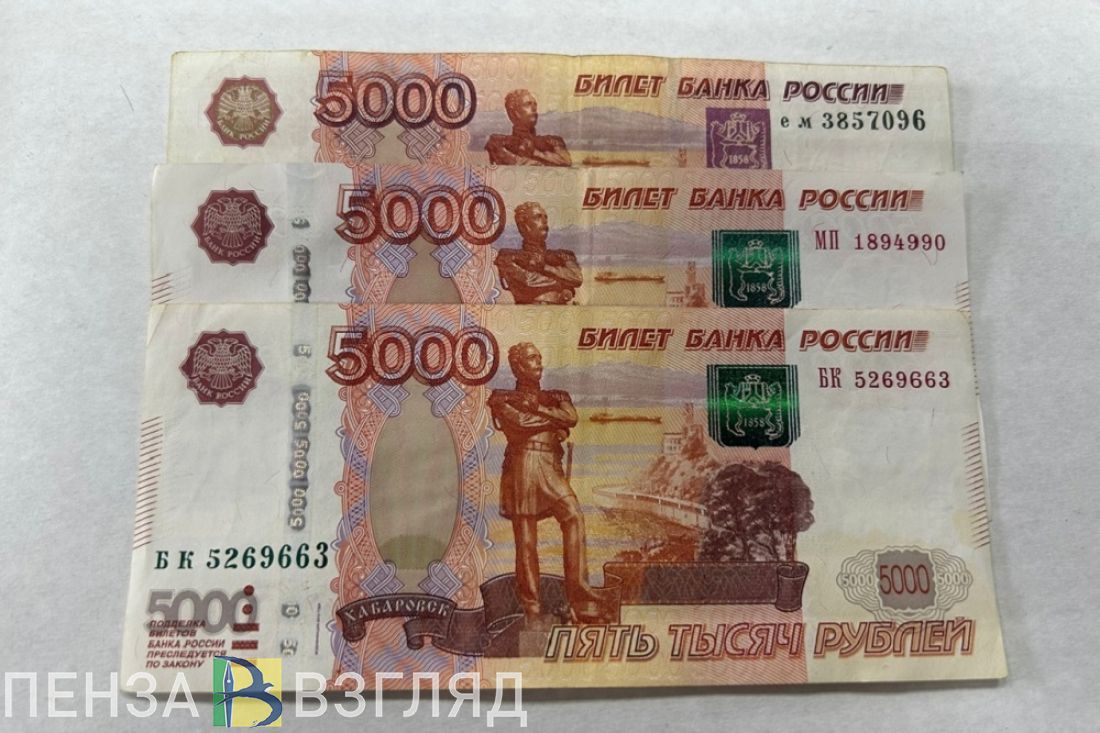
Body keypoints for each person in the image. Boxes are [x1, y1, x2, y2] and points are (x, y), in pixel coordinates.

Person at [487, 343, 603, 624]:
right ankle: (532, 608)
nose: (539, 363)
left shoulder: (556, 395)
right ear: (517, 367)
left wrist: (539, 408)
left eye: (539, 357)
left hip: (551, 466)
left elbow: (571, 418)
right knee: (526, 540)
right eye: (531, 359)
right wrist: (554, 423)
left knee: (573, 515)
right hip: (523, 466)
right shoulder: (501, 398)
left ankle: (580, 599)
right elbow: (520, 423)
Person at [495, 202, 582, 304]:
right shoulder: (507, 256)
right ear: (523, 227)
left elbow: (577, 279)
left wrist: (544, 267)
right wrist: (563, 283)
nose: (544, 221)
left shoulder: (563, 255)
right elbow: (528, 281)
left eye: (545, 217)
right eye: (537, 217)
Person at [485, 90, 571, 166]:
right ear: (513, 113)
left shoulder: (553, 141)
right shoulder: (498, 142)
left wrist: (534, 152)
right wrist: (546, 161)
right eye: (527, 104)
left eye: (535, 104)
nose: (534, 109)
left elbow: (566, 161)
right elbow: (515, 163)